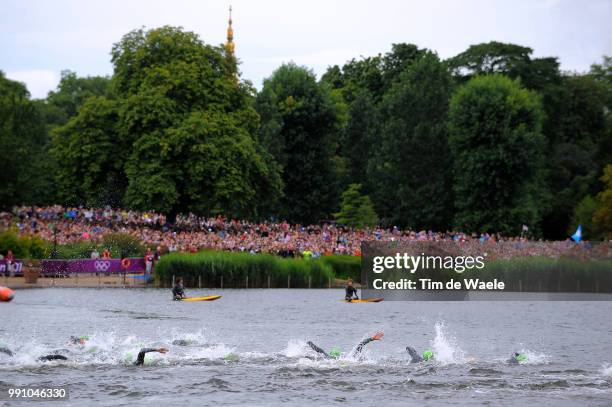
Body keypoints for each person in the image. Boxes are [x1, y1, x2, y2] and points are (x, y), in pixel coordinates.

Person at [307, 331, 384, 359]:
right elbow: (360, 345)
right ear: (340, 354)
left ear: (331, 353)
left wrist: (309, 343)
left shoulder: (328, 357)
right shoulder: (349, 358)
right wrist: (371, 338)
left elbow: (319, 350)